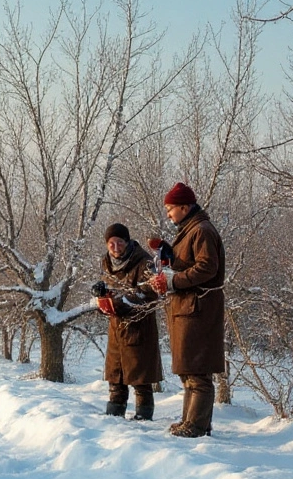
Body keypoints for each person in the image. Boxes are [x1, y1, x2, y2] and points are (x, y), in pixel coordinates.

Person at [150, 183, 225, 438]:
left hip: (199, 310)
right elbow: (190, 265)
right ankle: (189, 421)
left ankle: (197, 426)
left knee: (198, 371)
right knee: (188, 371)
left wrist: (173, 280)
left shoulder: (201, 230)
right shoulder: (190, 230)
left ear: (185, 207)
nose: (168, 214)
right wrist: (170, 265)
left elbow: (207, 268)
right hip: (187, 309)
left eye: (170, 209)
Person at [93, 222, 163, 420]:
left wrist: (121, 303)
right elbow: (109, 291)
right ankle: (114, 417)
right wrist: (102, 298)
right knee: (116, 378)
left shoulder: (145, 263)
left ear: (128, 241)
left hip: (140, 328)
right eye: (111, 244)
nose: (116, 248)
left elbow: (150, 294)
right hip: (116, 330)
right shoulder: (106, 264)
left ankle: (144, 420)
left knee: (141, 380)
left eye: (120, 242)